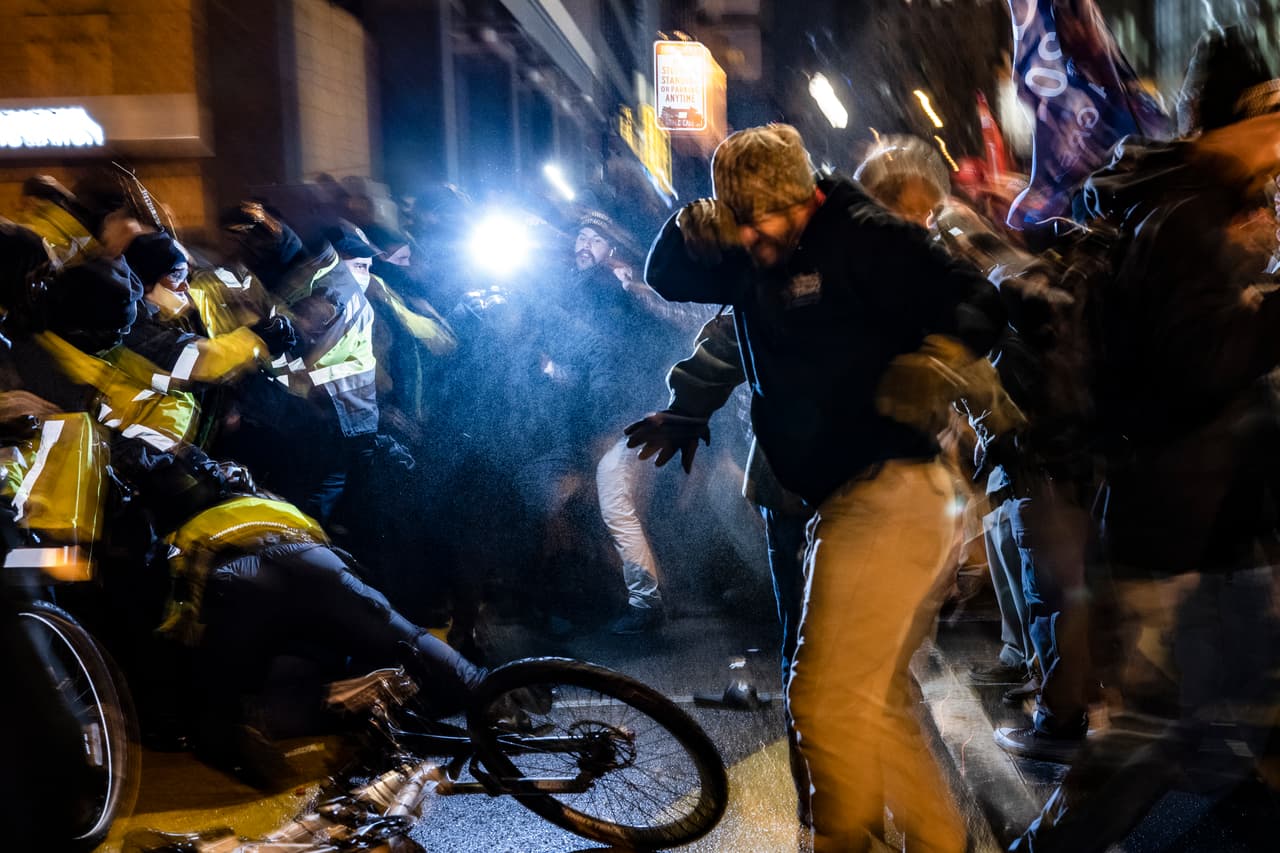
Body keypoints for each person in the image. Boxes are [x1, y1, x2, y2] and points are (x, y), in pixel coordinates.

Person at [644, 123, 1006, 852]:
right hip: (833, 500)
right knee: (877, 696)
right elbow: (667, 277)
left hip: (893, 488)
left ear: (805, 197)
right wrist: (688, 226)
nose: (753, 238)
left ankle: (848, 837)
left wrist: (939, 356)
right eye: (739, 223)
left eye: (764, 220)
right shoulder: (751, 246)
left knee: (825, 696)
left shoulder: (866, 235)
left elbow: (978, 299)